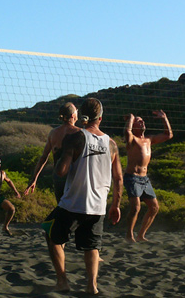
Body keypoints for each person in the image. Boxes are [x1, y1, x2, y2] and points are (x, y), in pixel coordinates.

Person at [41, 98, 123, 294]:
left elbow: (61, 171)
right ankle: (91, 286)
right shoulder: (111, 144)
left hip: (72, 204)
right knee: (92, 247)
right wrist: (115, 205)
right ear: (100, 118)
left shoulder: (75, 138)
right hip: (98, 207)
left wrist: (62, 156)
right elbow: (118, 178)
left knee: (51, 234)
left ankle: (62, 281)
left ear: (82, 117)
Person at [123, 110, 173, 242]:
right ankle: (129, 235)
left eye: (142, 120)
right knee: (135, 208)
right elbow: (127, 133)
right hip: (132, 177)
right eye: (138, 121)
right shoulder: (132, 140)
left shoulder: (149, 139)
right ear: (133, 126)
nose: (142, 122)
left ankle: (141, 235)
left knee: (154, 207)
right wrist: (131, 118)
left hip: (144, 179)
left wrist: (164, 118)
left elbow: (168, 135)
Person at [23, 102, 80, 203]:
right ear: (73, 115)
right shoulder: (80, 133)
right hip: (75, 177)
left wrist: (34, 178)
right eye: (76, 111)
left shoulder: (53, 133)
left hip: (58, 177)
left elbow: (43, 158)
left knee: (61, 206)